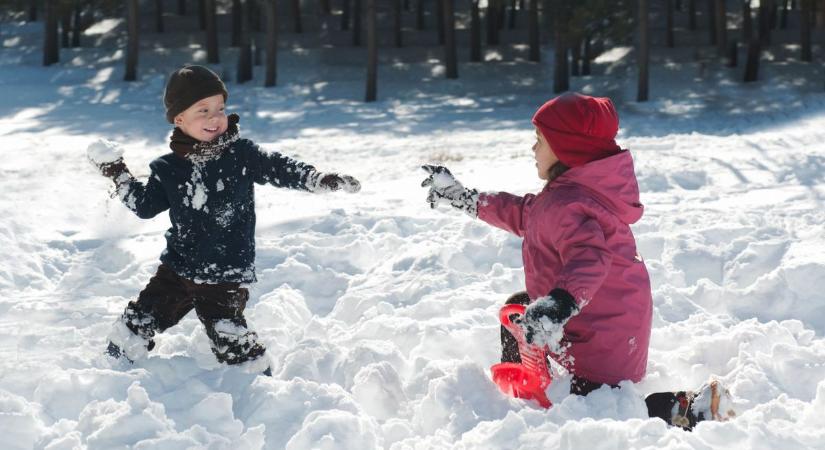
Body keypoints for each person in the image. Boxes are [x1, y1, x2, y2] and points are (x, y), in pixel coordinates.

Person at [420, 92, 735, 429]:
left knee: (596, 405)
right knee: (519, 308)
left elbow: (591, 259)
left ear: (566, 148)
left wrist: (560, 304)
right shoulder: (565, 196)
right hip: (598, 324)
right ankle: (529, 378)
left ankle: (687, 408)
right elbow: (523, 214)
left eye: (540, 140)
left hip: (602, 347)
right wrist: (467, 200)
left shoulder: (571, 203)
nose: (532, 149)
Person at [88, 65, 360, 375]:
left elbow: (279, 167)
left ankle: (261, 385)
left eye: (220, 108)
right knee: (136, 324)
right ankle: (112, 372)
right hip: (177, 268)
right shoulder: (167, 168)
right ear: (179, 119)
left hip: (225, 273)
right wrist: (118, 173)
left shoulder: (241, 155)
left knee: (230, 339)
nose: (215, 117)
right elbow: (145, 205)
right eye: (203, 110)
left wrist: (316, 178)